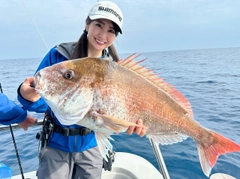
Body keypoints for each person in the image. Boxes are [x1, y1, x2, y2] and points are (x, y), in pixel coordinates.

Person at [17, 1, 146, 179]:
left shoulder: (115, 70)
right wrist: (26, 96)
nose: (103, 34)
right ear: (87, 25)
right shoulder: (58, 56)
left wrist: (127, 123)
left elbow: (117, 116)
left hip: (91, 145)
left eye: (111, 31)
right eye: (98, 25)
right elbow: (39, 97)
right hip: (57, 145)